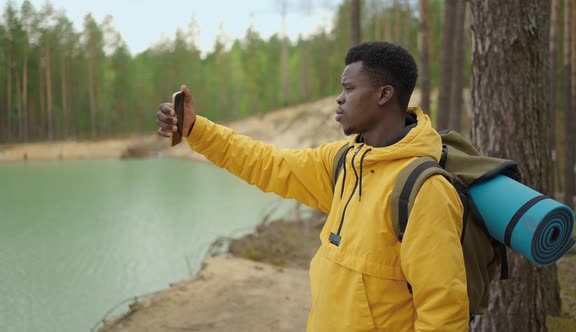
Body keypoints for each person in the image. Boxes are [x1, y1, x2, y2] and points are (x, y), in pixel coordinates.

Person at [156, 41, 468, 331]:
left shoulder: (425, 190)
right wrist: (196, 130)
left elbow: (443, 314)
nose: (339, 98)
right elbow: (267, 163)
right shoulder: (345, 162)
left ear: (384, 95)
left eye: (348, 88)